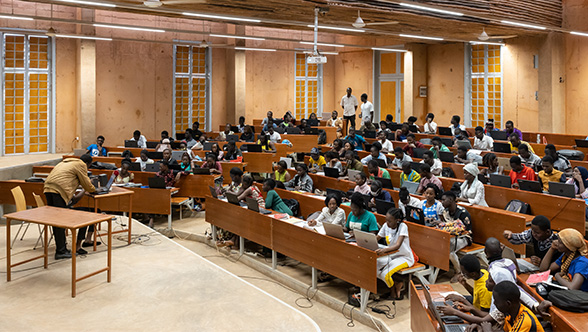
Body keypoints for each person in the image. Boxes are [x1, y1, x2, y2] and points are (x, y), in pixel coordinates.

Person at [43, 155, 97, 259]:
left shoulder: (65, 162)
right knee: (60, 221)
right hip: (59, 190)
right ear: (87, 164)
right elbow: (87, 185)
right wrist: (93, 188)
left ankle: (62, 248)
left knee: (56, 221)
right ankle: (61, 251)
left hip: (48, 189)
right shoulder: (81, 164)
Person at [376, 208, 414, 300]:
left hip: (404, 257)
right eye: (386, 220)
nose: (387, 223)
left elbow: (397, 245)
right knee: (374, 268)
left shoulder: (403, 227)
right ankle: (396, 284)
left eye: (390, 221)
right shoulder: (386, 225)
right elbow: (377, 238)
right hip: (391, 255)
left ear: (397, 220)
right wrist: (367, 241)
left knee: (385, 274)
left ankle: (393, 292)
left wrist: (384, 251)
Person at [439, 190, 472, 279]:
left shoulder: (462, 212)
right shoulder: (446, 211)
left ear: (450, 199)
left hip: (464, 237)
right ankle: (441, 267)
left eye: (444, 200)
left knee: (449, 249)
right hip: (451, 236)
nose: (442, 202)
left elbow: (465, 230)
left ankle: (458, 273)